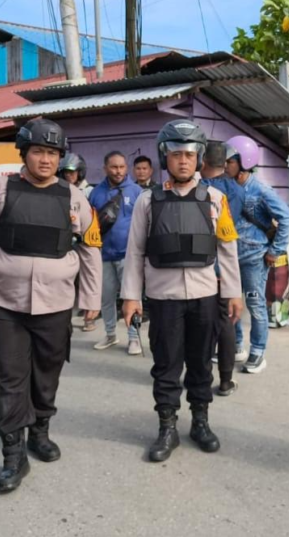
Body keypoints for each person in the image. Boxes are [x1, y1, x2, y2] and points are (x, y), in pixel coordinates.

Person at [0, 118, 102, 494]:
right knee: (10, 376)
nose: (45, 159)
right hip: (5, 303)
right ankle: (12, 453)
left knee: (47, 373)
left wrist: (90, 298)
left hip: (56, 304)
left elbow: (90, 249)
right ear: (23, 153)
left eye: (53, 153)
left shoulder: (75, 198)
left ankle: (40, 431)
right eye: (38, 151)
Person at [121, 120, 244, 463]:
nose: (184, 161)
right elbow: (135, 252)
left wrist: (233, 291)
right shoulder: (148, 201)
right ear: (165, 157)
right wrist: (131, 296)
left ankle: (200, 422)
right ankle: (167, 427)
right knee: (166, 365)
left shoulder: (216, 199)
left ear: (199, 158)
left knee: (202, 362)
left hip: (205, 296)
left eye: (190, 155)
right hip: (164, 299)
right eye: (176, 154)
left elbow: (227, 247)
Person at [225, 135, 289, 374]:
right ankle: (235, 347)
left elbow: (287, 219)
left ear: (244, 162)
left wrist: (275, 251)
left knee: (255, 305)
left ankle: (257, 351)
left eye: (230, 161)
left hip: (255, 258)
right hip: (230, 258)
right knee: (229, 304)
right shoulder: (226, 187)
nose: (225, 166)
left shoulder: (261, 190)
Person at [199, 141, 246, 395]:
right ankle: (226, 380)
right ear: (225, 163)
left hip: (202, 265)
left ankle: (200, 375)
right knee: (226, 323)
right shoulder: (236, 190)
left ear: (202, 162)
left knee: (201, 323)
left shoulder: (200, 189)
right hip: (227, 261)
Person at [88, 151, 144, 354]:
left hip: (128, 255)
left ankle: (134, 338)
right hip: (102, 255)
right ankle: (110, 334)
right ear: (105, 168)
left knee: (131, 297)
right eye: (114, 167)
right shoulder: (95, 193)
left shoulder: (137, 191)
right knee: (106, 298)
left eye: (121, 167)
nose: (118, 171)